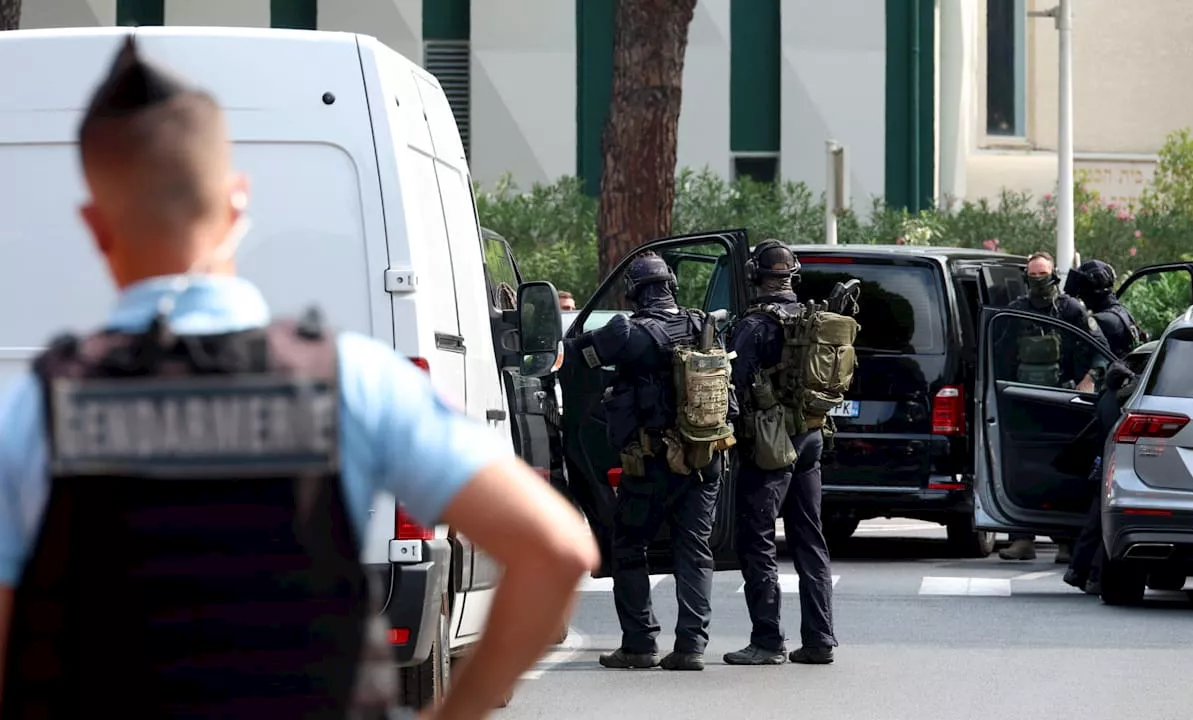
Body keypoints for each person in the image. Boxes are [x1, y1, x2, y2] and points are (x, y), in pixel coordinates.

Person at [0, 36, 598, 719]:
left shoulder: (40, 413)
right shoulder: (352, 383)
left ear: (95, 224)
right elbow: (556, 549)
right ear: (238, 202)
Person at [561, 253, 733, 672]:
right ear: (670, 284)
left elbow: (575, 358)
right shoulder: (701, 324)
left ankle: (639, 645)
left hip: (653, 461)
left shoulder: (626, 331)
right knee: (694, 551)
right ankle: (691, 647)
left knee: (628, 544)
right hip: (702, 457)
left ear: (634, 292)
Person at [724, 240, 841, 667]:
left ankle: (767, 640)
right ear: (792, 274)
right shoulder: (814, 318)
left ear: (756, 275)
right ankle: (820, 639)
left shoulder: (754, 324)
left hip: (771, 442)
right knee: (810, 539)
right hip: (811, 435)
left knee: (757, 540)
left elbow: (732, 384)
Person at [998, 251, 1108, 563]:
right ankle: (1021, 539)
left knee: (1064, 470)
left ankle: (1065, 542)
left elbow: (1100, 351)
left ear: (1054, 275)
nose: (1037, 281)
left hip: (1064, 402)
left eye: (1042, 275)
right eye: (1032, 276)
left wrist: (1089, 380)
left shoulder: (1072, 310)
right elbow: (1000, 353)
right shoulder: (1016, 312)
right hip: (1024, 402)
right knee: (1023, 469)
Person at [1062, 361, 1139, 595]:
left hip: (1103, 465)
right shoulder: (1124, 402)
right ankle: (1093, 575)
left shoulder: (1105, 399)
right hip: (1117, 468)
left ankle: (1077, 571)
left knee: (1094, 524)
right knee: (1105, 527)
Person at [1065, 259, 1144, 357]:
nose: (1080, 296)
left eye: (1082, 289)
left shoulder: (1100, 321)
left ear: (1089, 290)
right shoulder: (1122, 313)